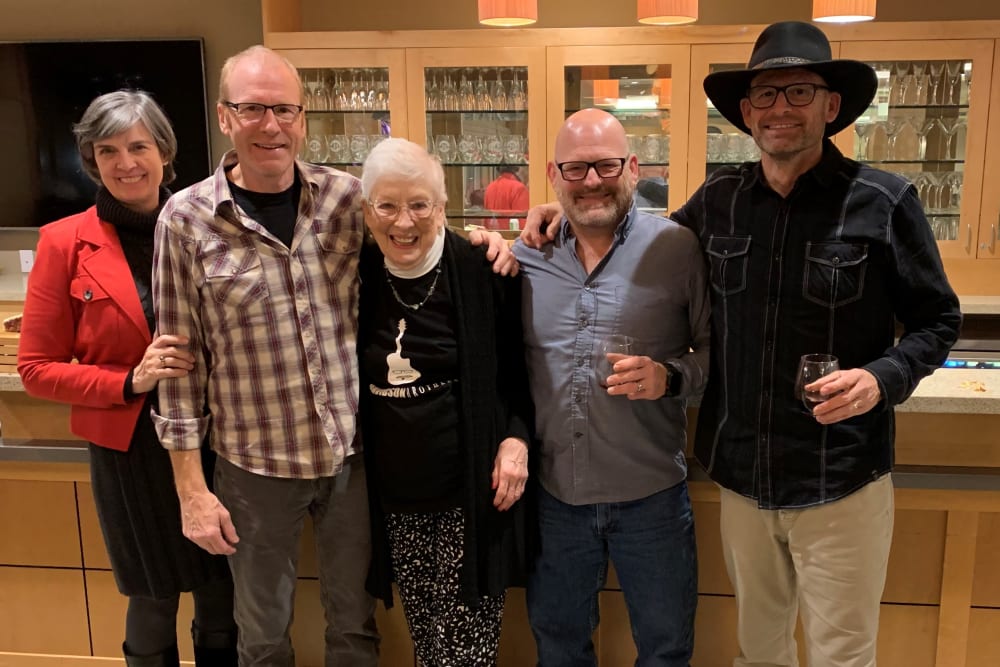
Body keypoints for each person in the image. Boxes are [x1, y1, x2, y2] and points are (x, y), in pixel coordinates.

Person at [523, 21, 963, 667]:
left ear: (831, 105)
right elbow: (623, 236)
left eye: (798, 91)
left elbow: (937, 320)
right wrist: (561, 206)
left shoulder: (885, 200)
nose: (779, 107)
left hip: (839, 470)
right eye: (765, 95)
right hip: (743, 477)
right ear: (747, 113)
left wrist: (882, 377)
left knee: (842, 653)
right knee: (758, 650)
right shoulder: (719, 201)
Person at [151, 45, 515, 667]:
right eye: (253, 108)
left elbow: (415, 226)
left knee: (354, 624)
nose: (271, 124)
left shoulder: (345, 199)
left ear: (303, 116)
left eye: (285, 109)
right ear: (224, 116)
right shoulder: (184, 221)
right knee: (262, 633)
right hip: (253, 465)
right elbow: (180, 370)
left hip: (349, 460)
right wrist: (190, 488)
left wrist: (490, 239)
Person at [17, 90, 236, 666]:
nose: (125, 162)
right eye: (107, 149)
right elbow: (36, 369)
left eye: (138, 146)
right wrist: (126, 381)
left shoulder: (205, 222)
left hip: (219, 436)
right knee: (154, 596)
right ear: (91, 159)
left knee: (223, 594)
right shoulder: (63, 242)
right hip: (130, 449)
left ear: (164, 151)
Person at [513, 108, 710, 666]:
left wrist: (670, 376)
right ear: (553, 174)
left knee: (666, 651)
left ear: (632, 167)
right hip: (556, 498)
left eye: (605, 166)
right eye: (576, 170)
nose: (592, 181)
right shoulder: (528, 255)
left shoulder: (677, 248)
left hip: (651, 498)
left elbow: (715, 352)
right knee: (559, 649)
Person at [357, 137, 533, 666]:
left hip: (469, 493)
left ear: (441, 208)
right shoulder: (358, 273)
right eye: (387, 205)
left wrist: (516, 439)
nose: (403, 221)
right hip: (397, 498)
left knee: (463, 650)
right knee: (428, 642)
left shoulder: (483, 270)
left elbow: (520, 377)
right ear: (367, 212)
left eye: (419, 205)